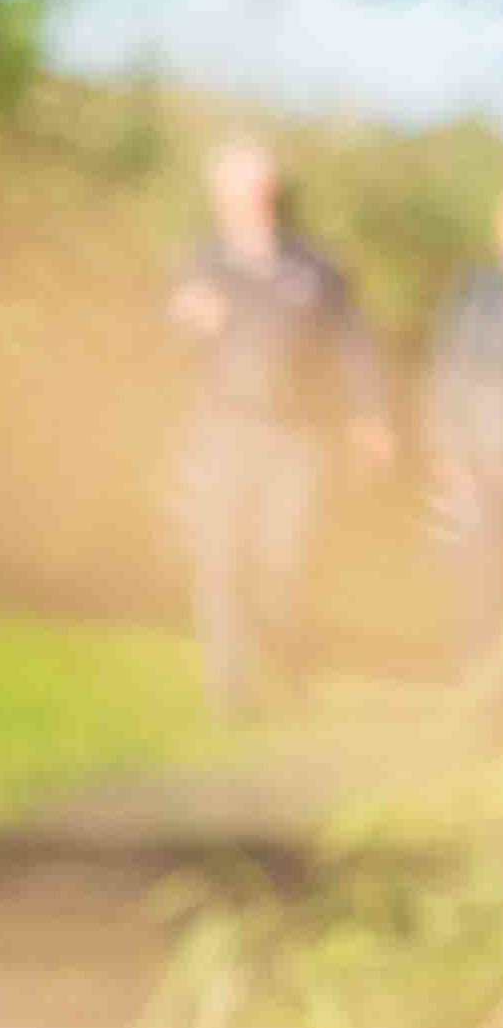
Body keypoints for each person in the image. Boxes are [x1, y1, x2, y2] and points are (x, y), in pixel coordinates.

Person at [163, 133, 386, 717]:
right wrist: (185, 326)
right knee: (220, 557)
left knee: (284, 559)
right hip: (222, 430)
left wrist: (370, 417)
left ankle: (285, 661)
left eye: (255, 188)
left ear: (273, 192)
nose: (245, 200)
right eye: (233, 190)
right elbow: (157, 346)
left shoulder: (316, 268)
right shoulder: (199, 265)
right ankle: (230, 693)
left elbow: (354, 346)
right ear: (219, 198)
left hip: (298, 438)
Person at [421, 188, 503, 693]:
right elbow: (445, 370)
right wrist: (445, 447)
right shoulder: (473, 292)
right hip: (480, 457)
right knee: (478, 565)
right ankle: (482, 670)